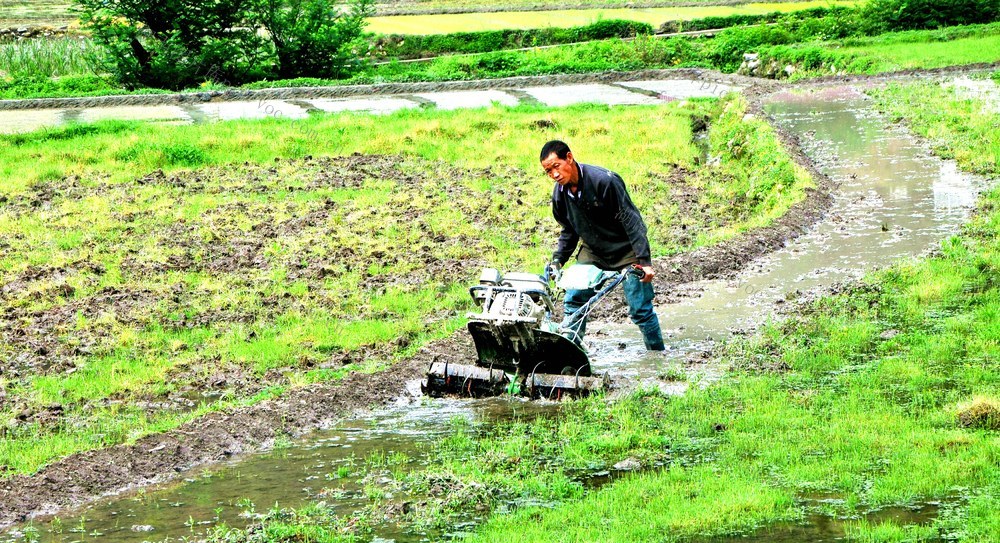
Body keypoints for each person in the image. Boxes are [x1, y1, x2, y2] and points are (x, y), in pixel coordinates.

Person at [541, 140, 665, 351]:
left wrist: (644, 261)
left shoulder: (604, 182)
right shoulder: (560, 195)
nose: (554, 174)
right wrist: (558, 260)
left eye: (556, 166)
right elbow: (569, 231)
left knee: (640, 310)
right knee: (574, 301)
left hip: (626, 251)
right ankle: (571, 352)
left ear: (569, 158)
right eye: (548, 171)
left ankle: (658, 355)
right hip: (594, 251)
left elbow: (631, 221)